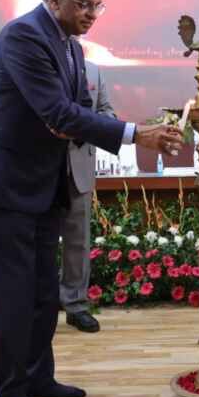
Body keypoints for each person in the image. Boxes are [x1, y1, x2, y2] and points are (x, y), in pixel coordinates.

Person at [0, 0, 182, 397]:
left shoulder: (72, 46)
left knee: (45, 293)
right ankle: (10, 393)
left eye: (98, 6)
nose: (92, 14)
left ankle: (39, 377)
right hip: (4, 186)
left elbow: (72, 112)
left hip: (46, 184)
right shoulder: (23, 36)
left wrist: (70, 123)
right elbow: (59, 114)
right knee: (14, 295)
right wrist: (134, 134)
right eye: (84, 5)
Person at [60, 59, 115, 333]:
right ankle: (38, 304)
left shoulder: (93, 68)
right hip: (41, 166)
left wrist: (104, 125)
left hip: (80, 165)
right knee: (37, 240)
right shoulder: (41, 61)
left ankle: (76, 305)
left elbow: (106, 111)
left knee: (78, 240)